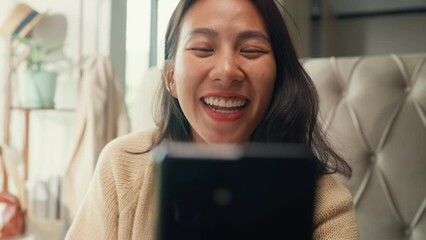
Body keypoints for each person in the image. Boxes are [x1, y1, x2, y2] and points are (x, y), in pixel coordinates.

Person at [65, 0, 359, 239]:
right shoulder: (122, 166)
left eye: (252, 50)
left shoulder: (326, 205)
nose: (228, 70)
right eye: (203, 48)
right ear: (171, 78)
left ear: (278, 78)